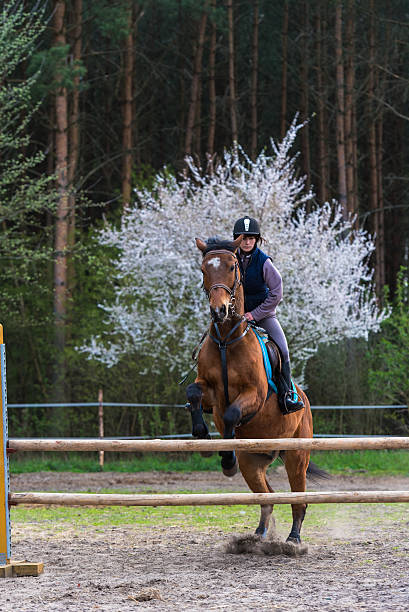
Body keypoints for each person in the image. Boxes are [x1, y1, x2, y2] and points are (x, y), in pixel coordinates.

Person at [233, 216, 304, 414]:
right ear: (237, 239)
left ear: (257, 240)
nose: (247, 241)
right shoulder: (230, 259)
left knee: (283, 349)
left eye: (251, 238)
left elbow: (277, 292)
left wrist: (254, 314)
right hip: (234, 317)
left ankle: (287, 394)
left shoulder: (264, 262)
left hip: (263, 316)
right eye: (243, 238)